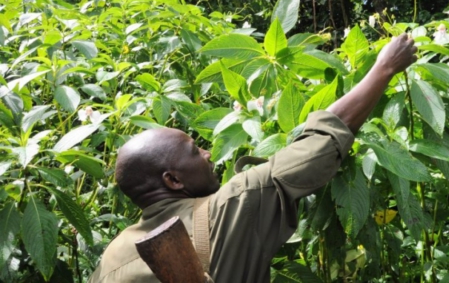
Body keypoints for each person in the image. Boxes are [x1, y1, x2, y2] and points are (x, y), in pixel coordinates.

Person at [88, 33, 417, 283]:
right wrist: (385, 67)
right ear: (173, 180)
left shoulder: (109, 259)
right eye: (194, 150)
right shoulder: (227, 208)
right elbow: (314, 147)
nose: (207, 153)